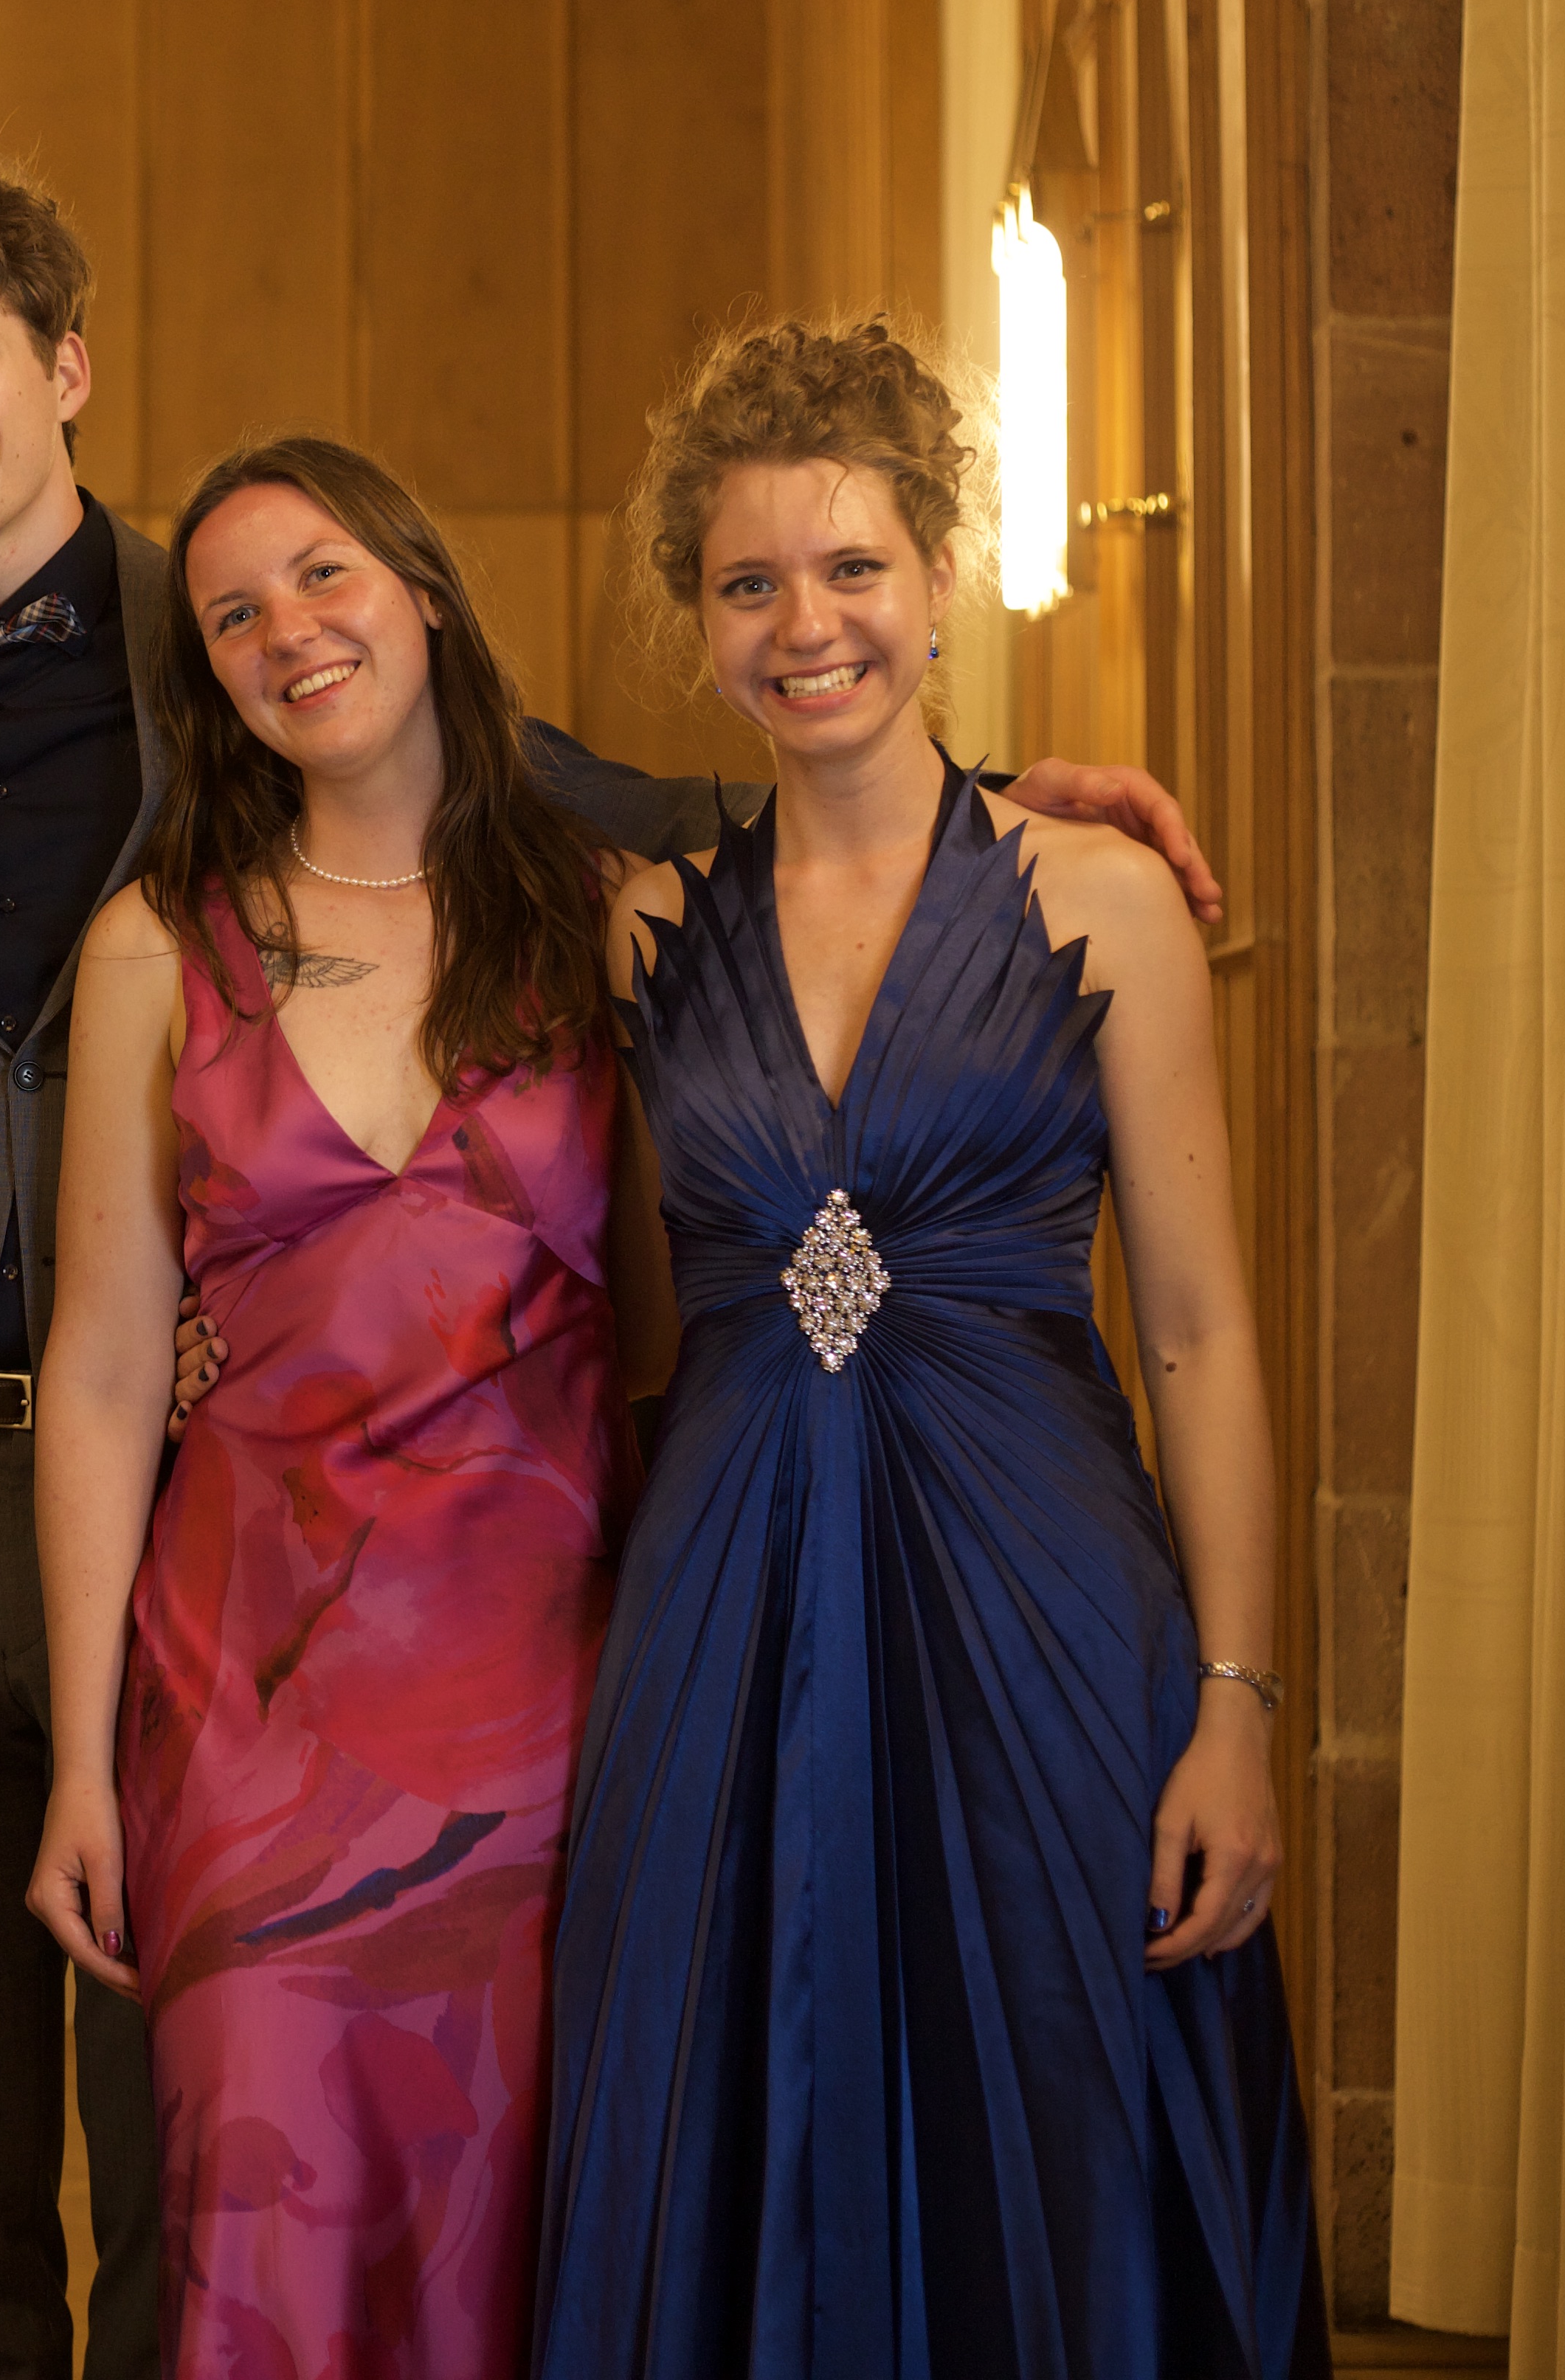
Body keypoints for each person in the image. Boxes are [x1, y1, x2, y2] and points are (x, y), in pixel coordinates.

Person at [0, 148, 1220, 2380]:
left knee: (395, 2205)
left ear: (63, 368)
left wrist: (1015, 806)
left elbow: (773, 821)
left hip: (519, 1635)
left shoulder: (521, 848)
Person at [531, 320, 1325, 2374]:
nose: (806, 624)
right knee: (728, 2098)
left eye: (851, 567)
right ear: (699, 624)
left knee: (1055, 2107)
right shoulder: (641, 928)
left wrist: (1234, 1703)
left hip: (1038, 1599)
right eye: (749, 582)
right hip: (722, 1609)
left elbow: (1200, 1331)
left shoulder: (1103, 897)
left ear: (943, 577)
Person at [30, 437, 673, 2378]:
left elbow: (663, 1329)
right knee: (264, 2219)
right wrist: (83, 1765)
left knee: (517, 2234)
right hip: (246, 1706)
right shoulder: (154, 944)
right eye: (232, 613)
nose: (287, 631)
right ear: (208, 681)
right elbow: (104, 1367)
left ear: (425, 593)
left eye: (323, 576)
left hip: (549, 1705)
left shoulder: (613, 918)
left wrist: (1045, 802)